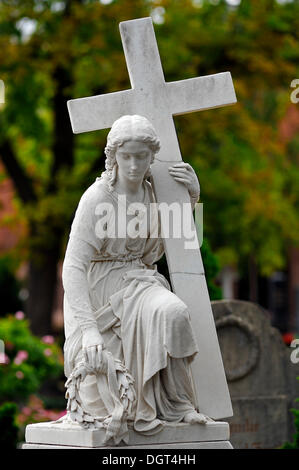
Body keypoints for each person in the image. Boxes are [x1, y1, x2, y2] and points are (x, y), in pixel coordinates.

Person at [62, 114, 208, 438]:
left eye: (140, 156)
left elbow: (187, 241)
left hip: (139, 282)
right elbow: (72, 266)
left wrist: (193, 198)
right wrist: (88, 331)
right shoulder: (97, 198)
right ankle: (138, 405)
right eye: (125, 156)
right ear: (113, 156)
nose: (132, 164)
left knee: (174, 312)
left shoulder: (156, 194)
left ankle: (179, 404)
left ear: (151, 157)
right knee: (104, 396)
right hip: (100, 295)